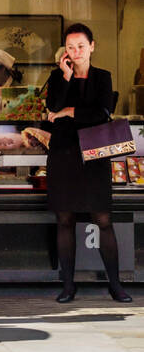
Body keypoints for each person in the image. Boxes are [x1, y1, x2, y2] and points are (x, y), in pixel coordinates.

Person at [45, 23, 131, 303]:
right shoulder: (57, 78)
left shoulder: (102, 77)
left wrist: (69, 111)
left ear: (92, 46)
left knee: (103, 219)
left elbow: (103, 113)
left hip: (94, 156)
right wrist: (68, 79)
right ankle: (68, 286)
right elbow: (51, 109)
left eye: (81, 46)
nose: (76, 51)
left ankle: (115, 285)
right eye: (70, 47)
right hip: (63, 156)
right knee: (64, 219)